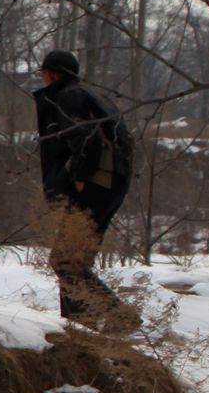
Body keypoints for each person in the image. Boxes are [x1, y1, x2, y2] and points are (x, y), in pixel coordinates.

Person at [31, 49, 135, 325]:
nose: (42, 79)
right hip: (111, 184)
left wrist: (79, 178)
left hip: (94, 185)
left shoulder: (69, 97)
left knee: (66, 261)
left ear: (52, 74)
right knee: (73, 261)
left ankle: (117, 316)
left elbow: (85, 139)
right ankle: (79, 327)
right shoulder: (90, 96)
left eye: (43, 73)